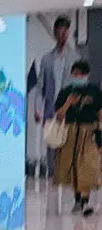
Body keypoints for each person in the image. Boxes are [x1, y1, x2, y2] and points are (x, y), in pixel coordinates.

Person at [53, 60, 102, 216]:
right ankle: (78, 199)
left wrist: (100, 135)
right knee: (73, 167)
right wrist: (68, 103)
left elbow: (100, 114)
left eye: (79, 75)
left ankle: (85, 201)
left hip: (89, 133)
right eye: (74, 75)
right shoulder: (65, 92)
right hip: (70, 133)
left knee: (87, 165)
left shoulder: (94, 91)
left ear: (86, 75)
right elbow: (59, 116)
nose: (76, 77)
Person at [39, 15, 75, 176]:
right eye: (61, 29)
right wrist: (38, 108)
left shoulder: (74, 58)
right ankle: (53, 174)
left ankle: (67, 174)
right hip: (51, 108)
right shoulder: (47, 59)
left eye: (67, 30)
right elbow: (40, 86)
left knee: (68, 142)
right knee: (52, 143)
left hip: (69, 108)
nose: (64, 33)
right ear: (55, 32)